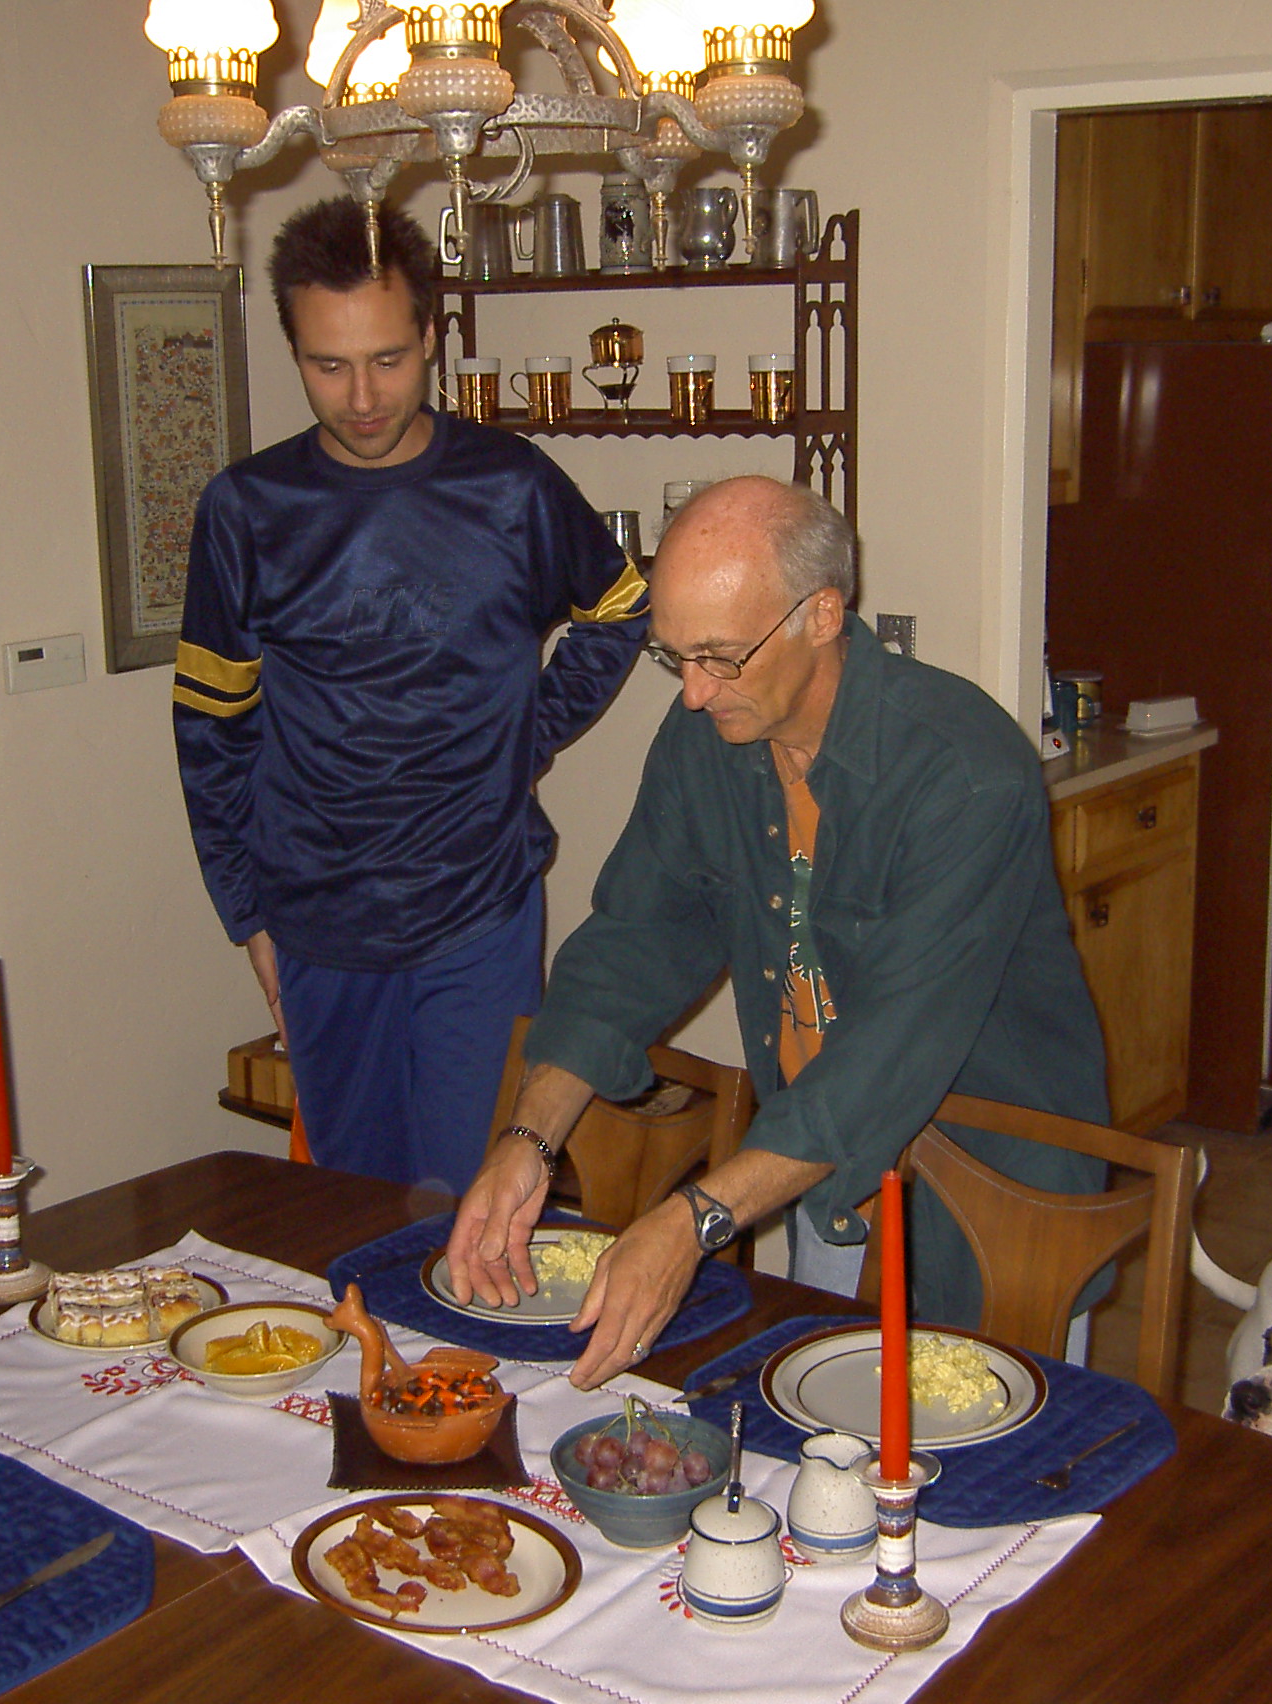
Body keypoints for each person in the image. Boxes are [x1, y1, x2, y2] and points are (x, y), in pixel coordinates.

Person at [444, 476, 1112, 1389]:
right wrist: (529, 1140)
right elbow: (633, 942)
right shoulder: (709, 741)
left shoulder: (964, 770)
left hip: (998, 1199)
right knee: (815, 1455)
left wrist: (694, 1221)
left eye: (720, 656)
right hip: (817, 1172)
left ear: (822, 615)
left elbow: (887, 1055)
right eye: (674, 656)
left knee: (988, 1466)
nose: (692, 693)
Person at [173, 198, 647, 1194]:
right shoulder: (246, 510)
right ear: (294, 351)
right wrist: (245, 912)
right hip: (317, 921)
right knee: (348, 1207)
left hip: (479, 911)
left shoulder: (510, 486)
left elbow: (620, 609)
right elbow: (210, 728)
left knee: (468, 1207)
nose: (361, 397)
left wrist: (525, 735)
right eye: (328, 365)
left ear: (431, 334)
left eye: (387, 360)